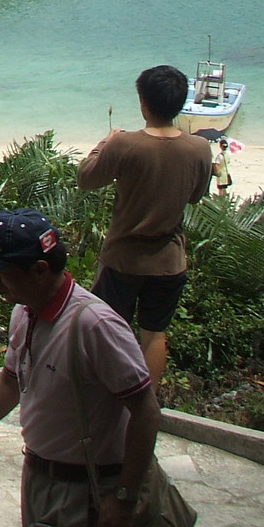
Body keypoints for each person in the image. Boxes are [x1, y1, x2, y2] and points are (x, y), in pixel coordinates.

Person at [0, 209, 161, 527]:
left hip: (85, 488)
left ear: (39, 270)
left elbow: (146, 412)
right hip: (40, 477)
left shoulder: (94, 326)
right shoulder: (25, 311)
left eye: (1, 276)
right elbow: (9, 384)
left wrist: (124, 497)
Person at [77, 65, 214, 385]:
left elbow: (86, 178)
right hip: (168, 260)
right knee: (154, 335)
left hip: (123, 258)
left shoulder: (124, 144)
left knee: (110, 329)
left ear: (143, 102)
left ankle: (108, 394)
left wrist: (103, 143)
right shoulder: (199, 148)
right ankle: (146, 403)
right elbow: (195, 196)